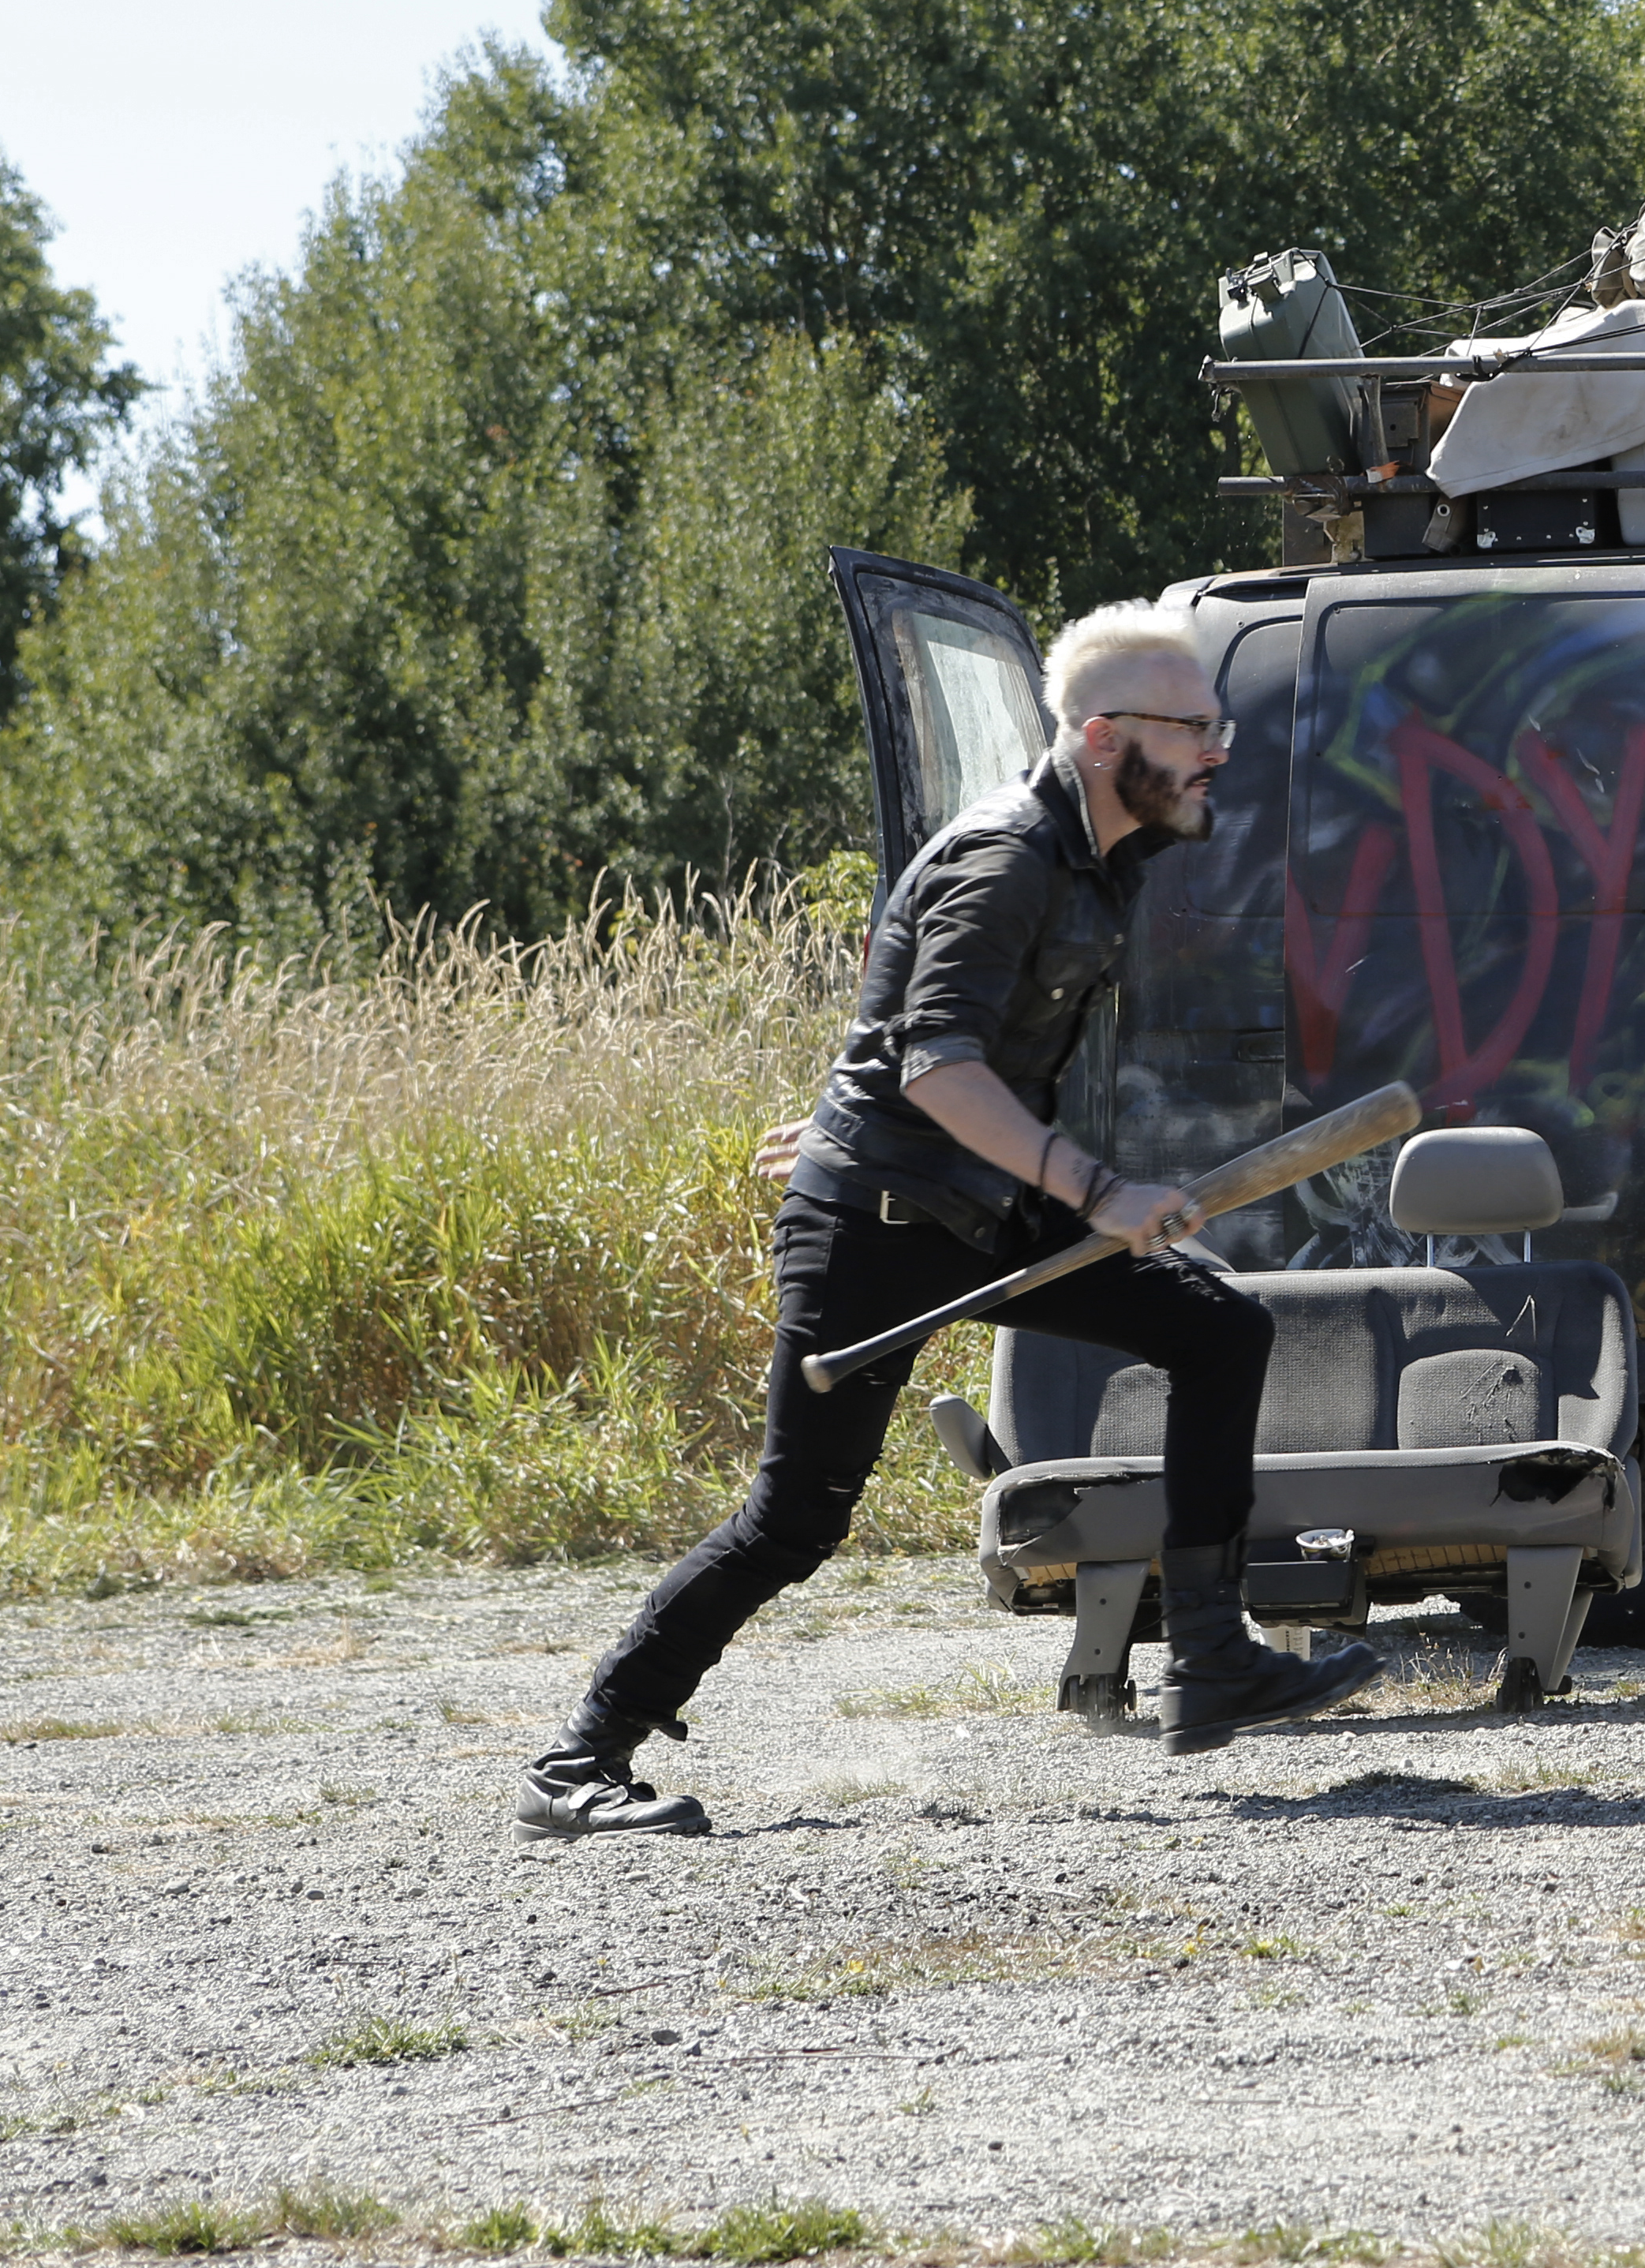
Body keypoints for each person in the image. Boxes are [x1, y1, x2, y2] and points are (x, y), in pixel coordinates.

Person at [514, 605, 1379, 1839]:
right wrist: (1093, 1189)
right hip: (877, 1226)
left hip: (975, 1204)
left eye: (1216, 724)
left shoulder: (1101, 852)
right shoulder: (1013, 856)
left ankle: (1209, 1659)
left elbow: (916, 1020)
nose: (1217, 750)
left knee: (1218, 1332)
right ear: (1099, 739)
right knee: (796, 1518)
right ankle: (578, 1758)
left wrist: (851, 1107)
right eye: (1192, 727)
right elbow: (935, 1066)